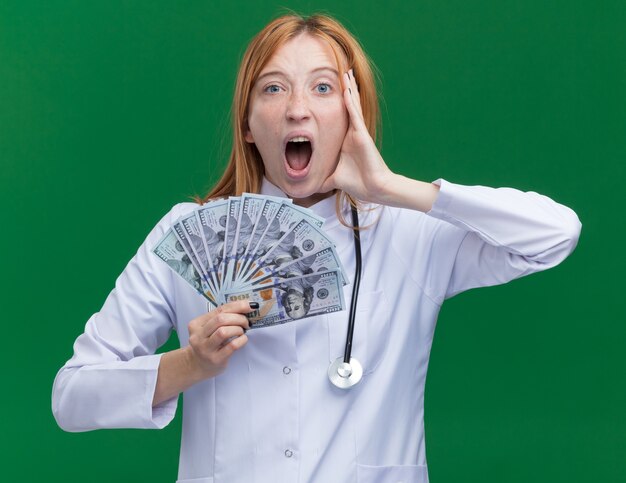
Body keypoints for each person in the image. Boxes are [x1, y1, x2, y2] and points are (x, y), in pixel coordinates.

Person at [52, 13, 582, 483]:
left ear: (354, 116)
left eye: (323, 88)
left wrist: (393, 188)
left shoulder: (408, 231)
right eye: (274, 89)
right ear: (249, 125)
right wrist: (192, 364)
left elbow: (555, 235)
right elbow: (71, 397)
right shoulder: (189, 234)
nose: (297, 110)